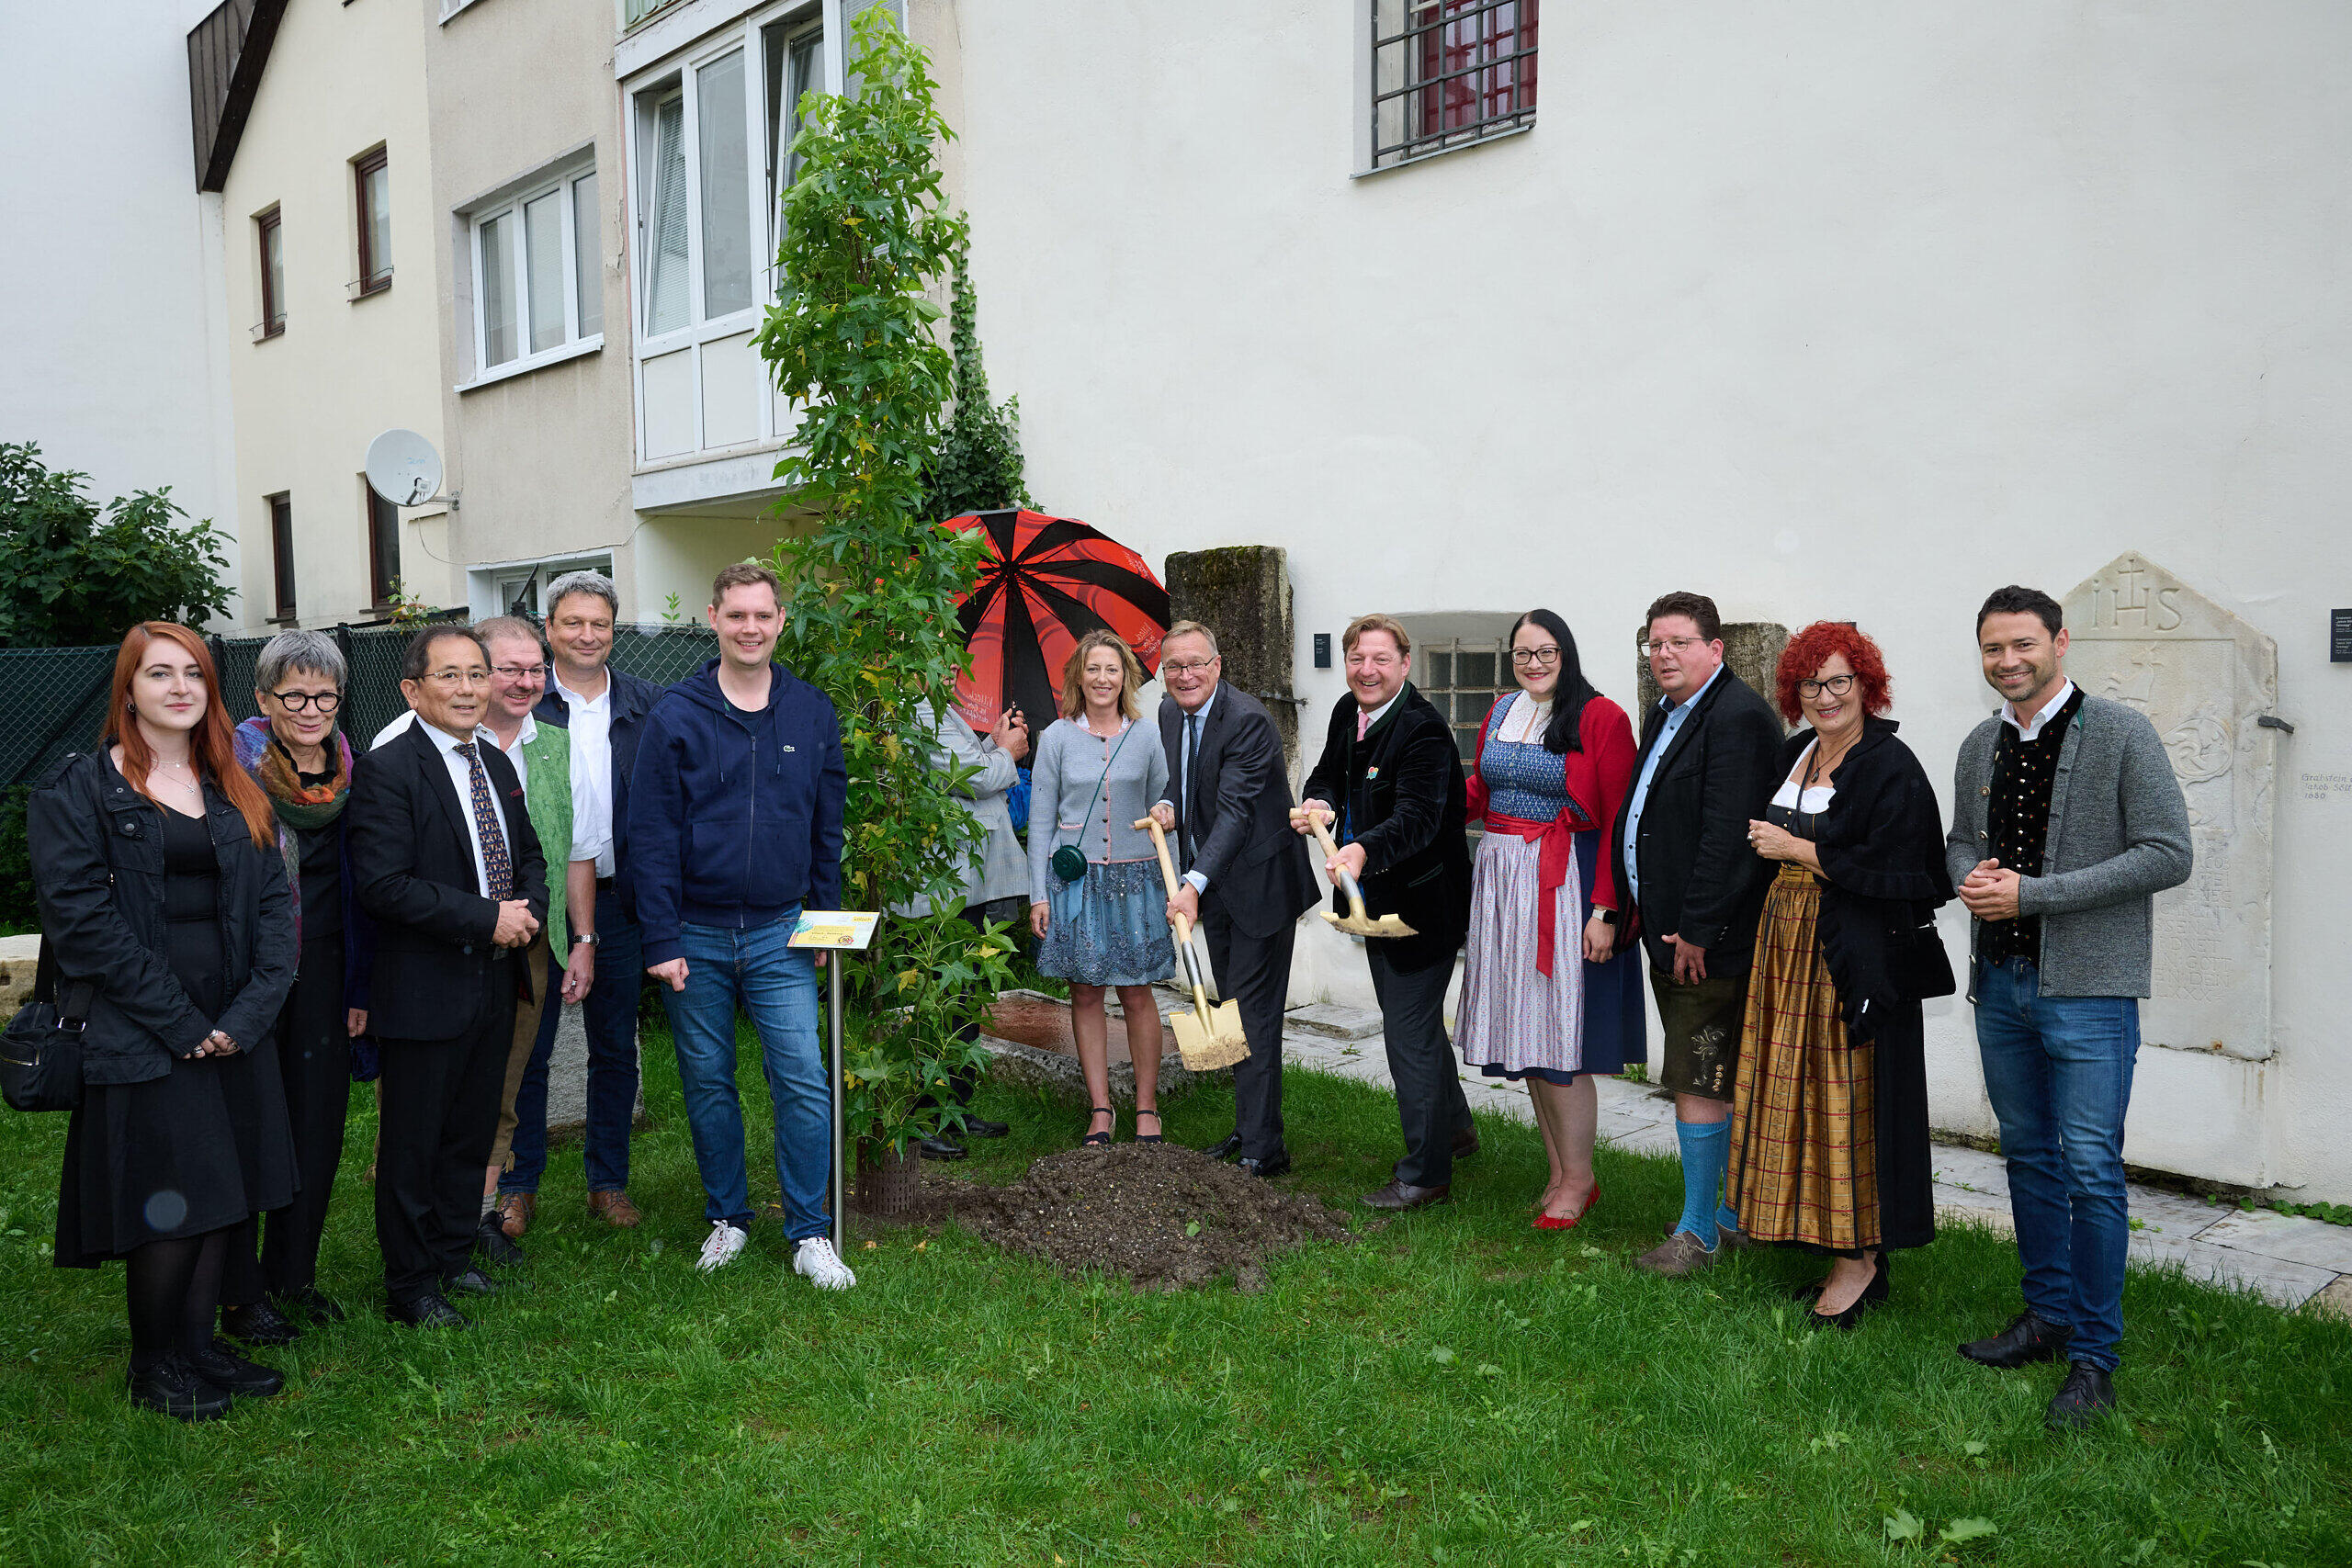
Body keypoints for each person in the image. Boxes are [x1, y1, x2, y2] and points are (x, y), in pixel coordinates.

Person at [30, 622, 298, 1419]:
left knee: (226, 1190)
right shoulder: (81, 788)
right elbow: (83, 924)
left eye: (194, 673)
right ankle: (155, 1366)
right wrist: (181, 1021)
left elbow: (278, 904)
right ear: (128, 690)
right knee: (171, 1199)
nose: (179, 687)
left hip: (233, 1021)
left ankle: (201, 1347)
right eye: (159, 674)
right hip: (141, 1024)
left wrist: (245, 1014)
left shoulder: (236, 782)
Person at [1945, 585, 2190, 1427]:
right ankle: (2046, 1315)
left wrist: (2036, 895)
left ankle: (2094, 1357)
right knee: (2029, 1156)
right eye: (1992, 649)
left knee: (2091, 1166)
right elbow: (1962, 842)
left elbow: (2168, 852)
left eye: (2023, 644)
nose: (2008, 661)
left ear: (2060, 641)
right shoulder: (1981, 742)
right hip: (2002, 988)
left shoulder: (2122, 732)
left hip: (2088, 992)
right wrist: (1969, 879)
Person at [630, 562, 855, 1289]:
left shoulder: (812, 712)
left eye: (762, 615)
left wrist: (821, 923)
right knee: (705, 1080)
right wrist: (660, 938)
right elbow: (653, 832)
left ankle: (810, 1232)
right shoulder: (676, 713)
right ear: (714, 618)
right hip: (693, 930)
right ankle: (727, 1216)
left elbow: (829, 829)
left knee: (803, 1077)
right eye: (736, 616)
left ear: (781, 621)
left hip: (782, 928)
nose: (750, 628)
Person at [1726, 623, 1955, 1326]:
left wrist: (1798, 846)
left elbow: (1908, 874)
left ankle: (1862, 1260)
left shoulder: (1892, 765)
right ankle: (1827, 1239)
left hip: (1851, 956)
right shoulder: (1799, 752)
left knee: (1846, 1101)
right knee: (1795, 1096)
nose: (1824, 696)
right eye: (1809, 684)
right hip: (1787, 947)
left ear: (1866, 685)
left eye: (1838, 681)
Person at [348, 626, 548, 1329]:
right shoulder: (387, 769)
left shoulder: (493, 763)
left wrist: (525, 915)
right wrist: (486, 917)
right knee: (414, 1144)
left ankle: (452, 1253)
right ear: (412, 689)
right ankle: (409, 1286)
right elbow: (382, 884)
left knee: (470, 1131)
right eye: (450, 676)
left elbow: (529, 856)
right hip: (425, 989)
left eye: (476, 674)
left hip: (497, 980)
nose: (468, 689)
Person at [1611, 591, 1782, 1277]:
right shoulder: (1672, 711)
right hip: (1672, 928)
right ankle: (1728, 1215)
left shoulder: (1737, 716)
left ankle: (1698, 1234)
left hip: (1705, 939)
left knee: (1699, 1074)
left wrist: (1694, 927)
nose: (1663, 655)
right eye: (1654, 644)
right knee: (1712, 1071)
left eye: (1678, 642)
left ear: (1716, 648)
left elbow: (1728, 835)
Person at [1457, 610, 1643, 1228]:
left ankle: (1581, 1177)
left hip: (1562, 883)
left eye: (1546, 652)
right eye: (1522, 653)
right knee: (1528, 1033)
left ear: (1567, 652)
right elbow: (1479, 792)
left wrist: (1606, 910)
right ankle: (1561, 1171)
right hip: (1504, 884)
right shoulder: (1502, 710)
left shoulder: (1601, 717)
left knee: (1562, 1036)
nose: (1533, 664)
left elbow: (1620, 821)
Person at [1295, 614, 1475, 1211]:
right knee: (1416, 1024)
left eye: (1380, 658)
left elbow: (1418, 819)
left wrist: (1363, 848)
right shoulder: (1351, 710)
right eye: (1357, 658)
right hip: (1375, 903)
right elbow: (1329, 773)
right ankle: (1455, 1131)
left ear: (1404, 664)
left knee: (1408, 1032)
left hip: (1424, 906)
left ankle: (1425, 1174)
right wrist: (1318, 800)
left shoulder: (1422, 730)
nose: (1366, 670)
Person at [506, 570, 663, 1235]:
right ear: (550, 629)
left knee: (614, 1047)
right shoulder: (522, 704)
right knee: (530, 1048)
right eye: (573, 622)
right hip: (538, 901)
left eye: (599, 623)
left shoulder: (647, 704)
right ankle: (518, 1185)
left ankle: (608, 1182)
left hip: (618, 898)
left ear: (613, 629)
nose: (587, 634)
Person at [227, 630, 374, 1336]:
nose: (311, 707)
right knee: (248, 1124)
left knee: (316, 1126)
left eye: (325, 693)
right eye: (295, 694)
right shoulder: (228, 770)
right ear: (262, 697)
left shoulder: (353, 769)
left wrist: (359, 986)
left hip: (324, 970)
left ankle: (294, 1274)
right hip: (249, 973)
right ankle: (239, 1286)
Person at [1156, 621, 1320, 1178]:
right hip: (1217, 884)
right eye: (1174, 666)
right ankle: (1251, 1127)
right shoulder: (1168, 713)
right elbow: (1188, 783)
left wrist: (1191, 884)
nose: (1185, 675)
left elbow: (1235, 812)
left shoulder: (1248, 720)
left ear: (1218, 666)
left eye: (1196, 663)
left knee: (1252, 1017)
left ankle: (1264, 1152)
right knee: (1232, 1011)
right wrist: (1166, 804)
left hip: (1261, 887)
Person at [465, 618, 595, 1265]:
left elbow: (577, 851)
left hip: (535, 940)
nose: (524, 681)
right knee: (456, 1074)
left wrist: (584, 939)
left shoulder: (559, 745)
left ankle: (511, 1191)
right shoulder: (415, 739)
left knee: (525, 1067)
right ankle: (443, 1206)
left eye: (534, 669)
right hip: (451, 939)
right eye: (507, 668)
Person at [1026, 630, 1176, 1148]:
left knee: (1137, 992)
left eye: (1112, 670)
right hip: (1075, 883)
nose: (1103, 679)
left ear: (1126, 677)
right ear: (1078, 677)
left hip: (1137, 882)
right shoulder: (1056, 738)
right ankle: (1099, 1108)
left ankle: (1147, 1107)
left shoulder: (1147, 735)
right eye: (1093, 670)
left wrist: (1166, 817)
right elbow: (1040, 823)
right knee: (1086, 992)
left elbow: (1166, 801)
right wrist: (1037, 895)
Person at [902, 694, 1030, 1162]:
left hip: (969, 880)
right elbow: (966, 778)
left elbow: (964, 762)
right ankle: (926, 1116)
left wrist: (990, 742)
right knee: (943, 1000)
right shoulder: (910, 705)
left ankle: (954, 1105)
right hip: (947, 884)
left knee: (966, 997)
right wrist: (1007, 752)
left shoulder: (932, 702)